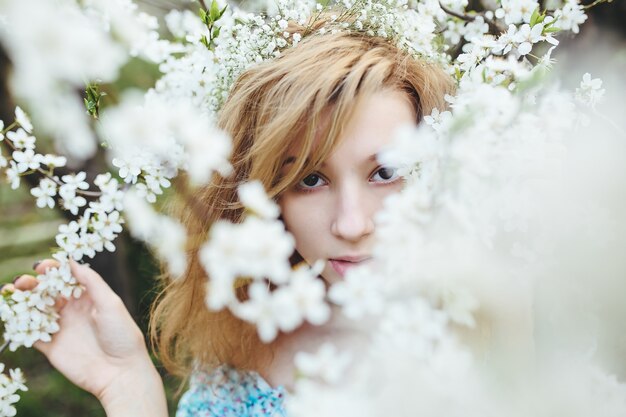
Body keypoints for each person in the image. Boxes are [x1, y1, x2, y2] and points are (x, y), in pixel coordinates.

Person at [12, 18, 453, 417]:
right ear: (265, 197)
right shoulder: (245, 344)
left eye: (386, 172)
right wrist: (128, 385)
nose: (352, 224)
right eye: (310, 179)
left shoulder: (495, 330)